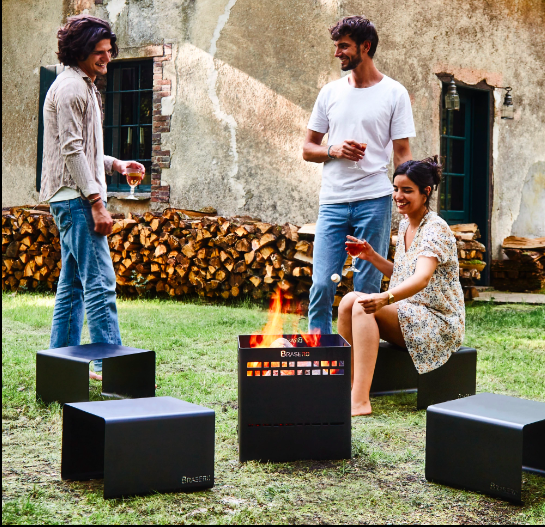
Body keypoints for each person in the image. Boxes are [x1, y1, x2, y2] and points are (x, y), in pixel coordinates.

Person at [40, 15, 145, 380]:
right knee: (100, 283)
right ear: (81, 51)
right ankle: (113, 368)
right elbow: (71, 151)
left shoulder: (80, 84)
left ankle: (59, 366)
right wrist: (97, 202)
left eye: (109, 51)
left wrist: (116, 164)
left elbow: (82, 149)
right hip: (76, 201)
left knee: (74, 287)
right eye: (99, 52)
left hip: (71, 197)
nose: (106, 58)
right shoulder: (70, 89)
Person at [303, 15, 415, 335]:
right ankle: (321, 356)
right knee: (323, 283)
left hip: (375, 200)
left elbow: (403, 154)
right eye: (337, 46)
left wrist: (408, 198)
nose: (337, 52)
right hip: (333, 201)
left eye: (344, 46)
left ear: (365, 47)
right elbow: (308, 148)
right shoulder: (330, 93)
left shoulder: (394, 93)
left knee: (366, 286)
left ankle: (358, 359)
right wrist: (333, 150)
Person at [337, 157, 465, 416]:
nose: (399, 196)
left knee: (363, 307)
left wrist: (384, 298)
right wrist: (372, 256)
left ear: (425, 192)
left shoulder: (435, 230)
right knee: (348, 300)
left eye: (407, 190)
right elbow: (405, 273)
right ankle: (346, 388)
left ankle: (360, 401)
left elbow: (422, 279)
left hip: (438, 322)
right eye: (396, 189)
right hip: (411, 312)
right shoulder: (406, 223)